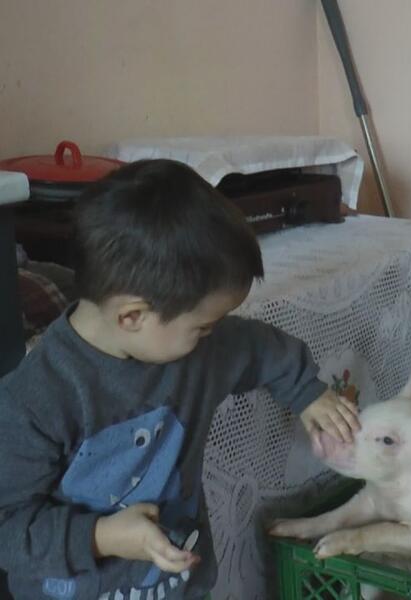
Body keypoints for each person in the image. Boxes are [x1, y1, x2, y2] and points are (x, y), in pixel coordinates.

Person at [0, 159, 360, 600]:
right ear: (133, 316)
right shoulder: (34, 401)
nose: (214, 334)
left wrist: (308, 393)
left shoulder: (195, 351)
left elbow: (255, 346)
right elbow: (8, 527)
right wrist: (101, 537)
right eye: (203, 326)